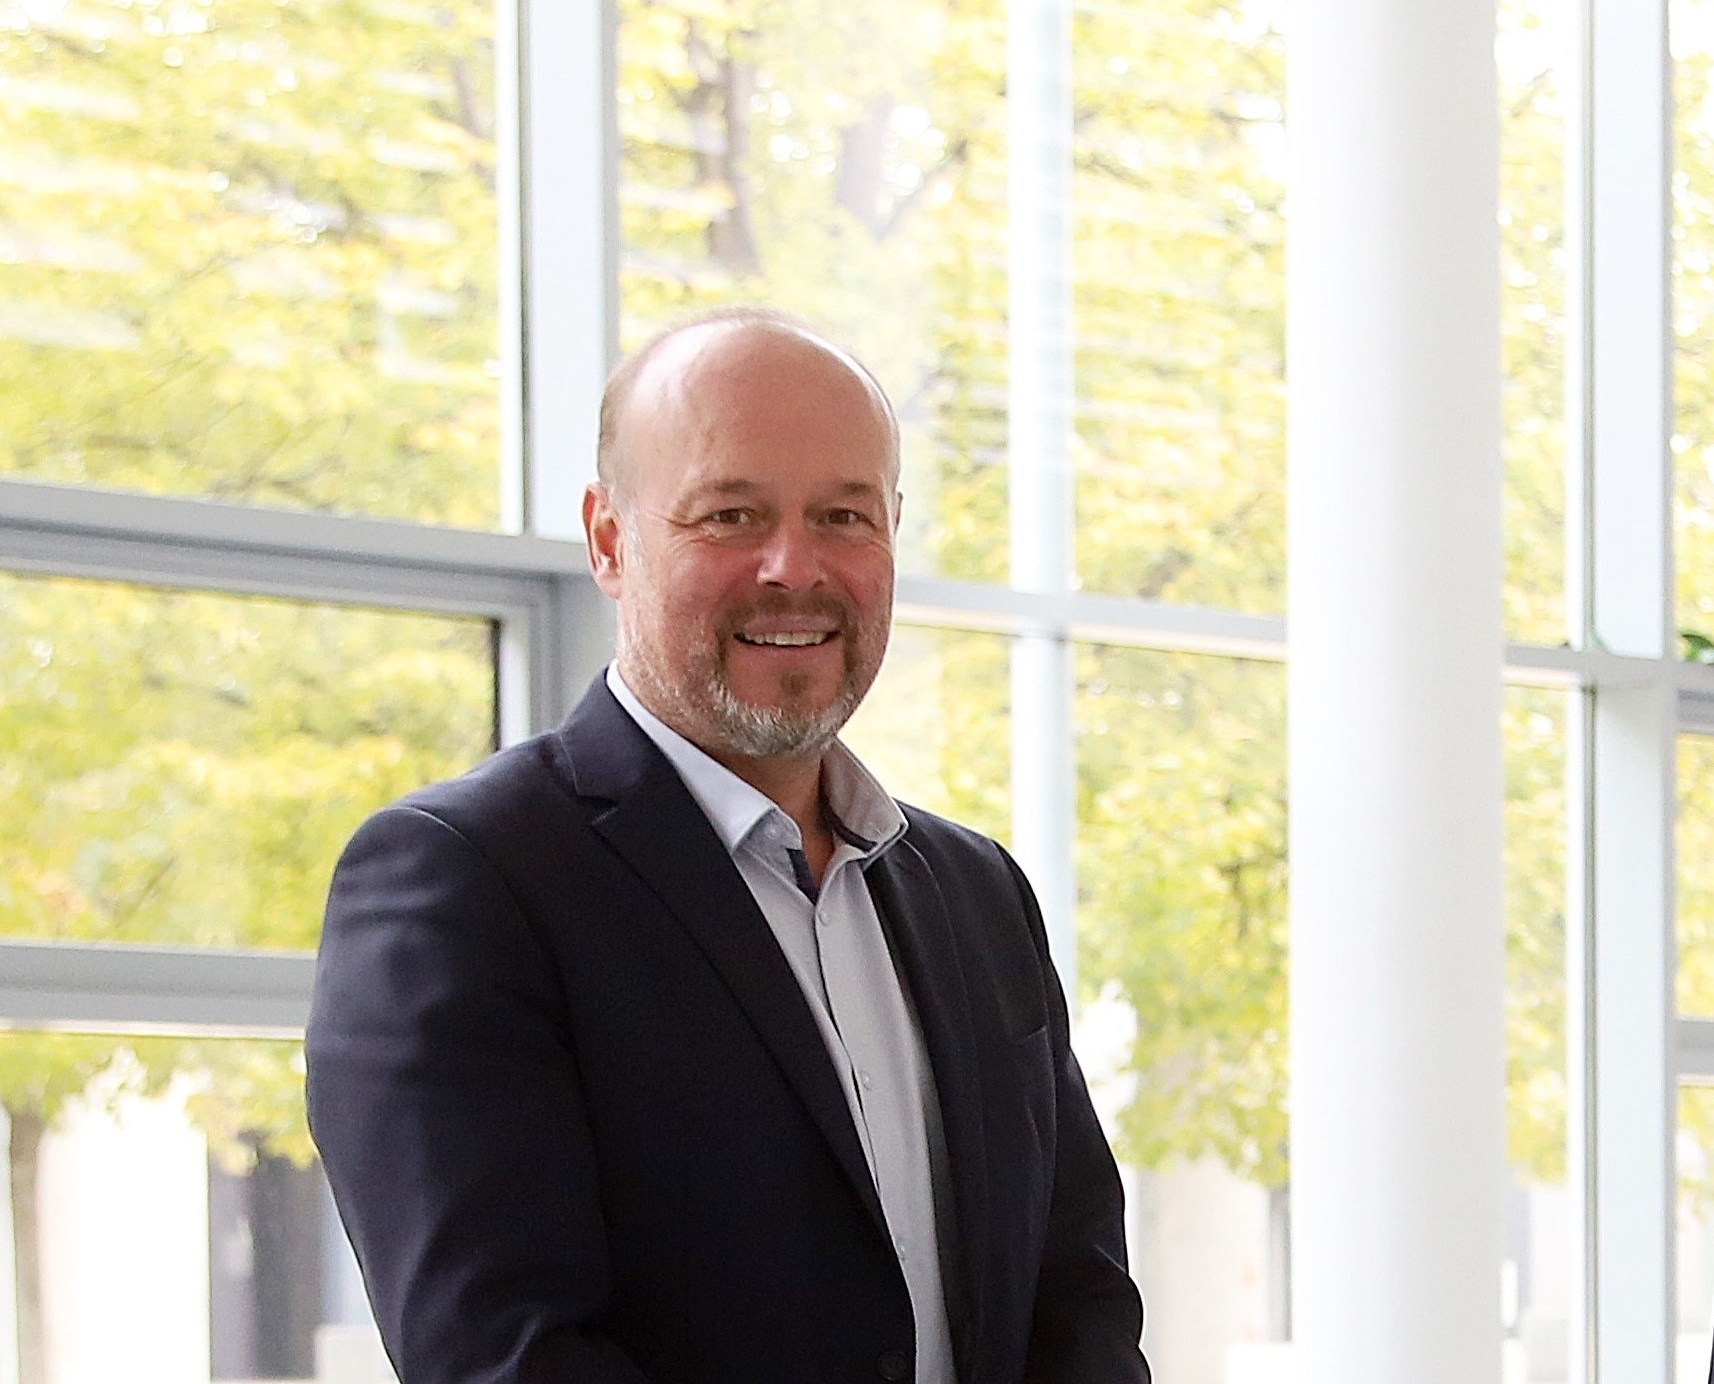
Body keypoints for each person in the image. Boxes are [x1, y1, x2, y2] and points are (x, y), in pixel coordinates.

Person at [305, 308, 1148, 1384]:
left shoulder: (976, 894)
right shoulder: (466, 883)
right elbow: (509, 1359)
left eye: (844, 516)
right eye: (730, 515)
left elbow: (1077, 1308)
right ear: (612, 541)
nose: (793, 567)